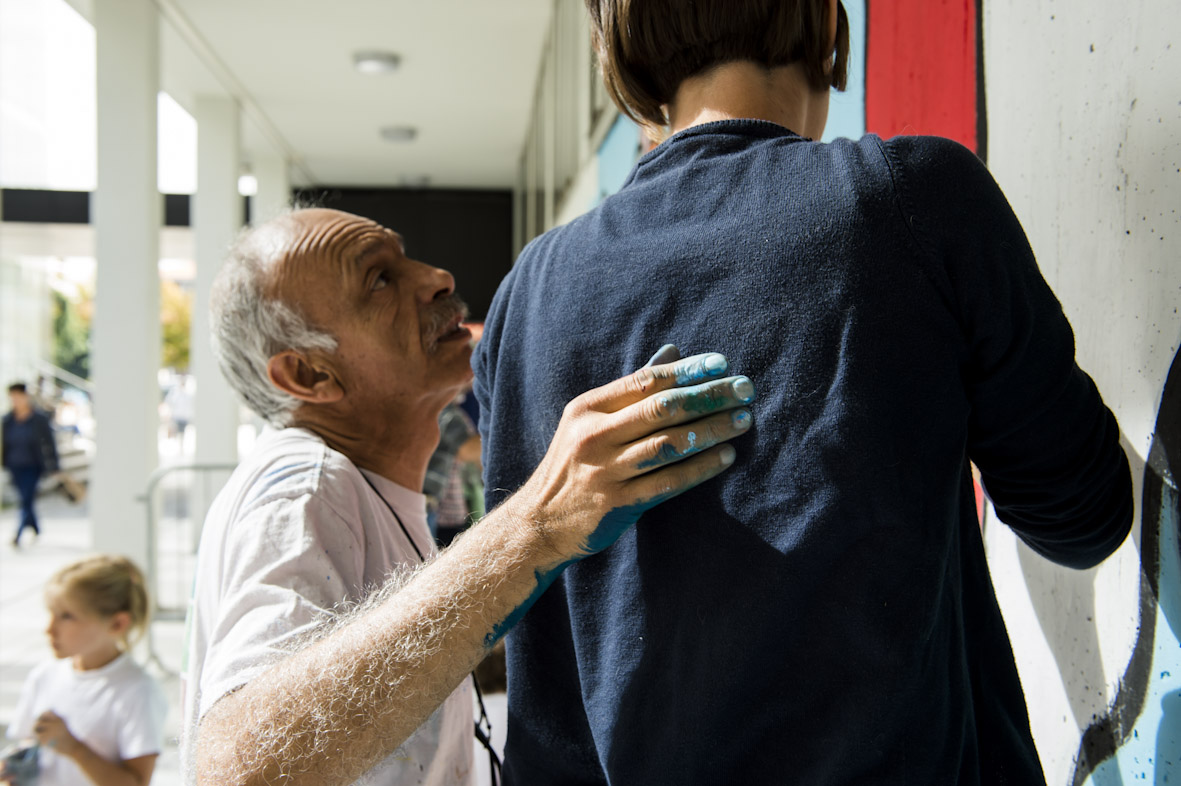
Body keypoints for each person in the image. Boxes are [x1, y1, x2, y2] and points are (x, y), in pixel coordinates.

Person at [472, 1, 1135, 783]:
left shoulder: (526, 296)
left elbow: (541, 651)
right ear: (824, 23)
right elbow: (1081, 519)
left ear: (621, 50)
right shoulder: (914, 200)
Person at [182, 207, 756, 786]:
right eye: (379, 279)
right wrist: (539, 526)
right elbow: (239, 772)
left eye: (404, 257)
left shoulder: (348, 486)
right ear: (309, 376)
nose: (438, 277)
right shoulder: (303, 490)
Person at [3, 555, 167, 786]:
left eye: (66, 616)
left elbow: (137, 782)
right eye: (51, 613)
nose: (49, 629)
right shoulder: (44, 675)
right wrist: (14, 767)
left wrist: (74, 748)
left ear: (117, 624)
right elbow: (30, 745)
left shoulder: (138, 691)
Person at [2, 382, 60, 547]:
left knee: (26, 499)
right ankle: (35, 527)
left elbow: (50, 443)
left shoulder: (38, 419)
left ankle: (18, 534)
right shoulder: (7, 420)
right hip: (14, 465)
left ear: (26, 397)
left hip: (33, 466)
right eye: (13, 397)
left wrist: (55, 466)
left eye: (18, 397)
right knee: (25, 499)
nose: (16, 401)